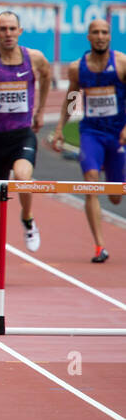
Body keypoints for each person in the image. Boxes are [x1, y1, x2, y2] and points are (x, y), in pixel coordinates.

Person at [0, 10, 53, 282]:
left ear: (20, 31)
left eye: (12, 28)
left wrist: (40, 112)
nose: (7, 33)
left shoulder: (35, 58)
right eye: (2, 29)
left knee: (23, 177)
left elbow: (48, 77)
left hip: (22, 134)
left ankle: (27, 218)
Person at [50, 18, 126, 263]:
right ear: (89, 37)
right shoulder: (77, 68)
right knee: (91, 182)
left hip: (117, 135)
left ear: (109, 36)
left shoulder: (122, 63)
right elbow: (72, 97)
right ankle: (99, 247)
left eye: (104, 32)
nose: (100, 36)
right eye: (96, 32)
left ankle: (110, 165)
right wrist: (61, 126)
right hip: (91, 133)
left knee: (116, 196)